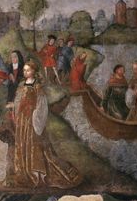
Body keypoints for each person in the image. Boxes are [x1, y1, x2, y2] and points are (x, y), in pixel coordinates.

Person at [9, 61, 82, 189]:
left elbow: (41, 105)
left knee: (35, 146)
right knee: (23, 144)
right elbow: (18, 101)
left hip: (32, 119)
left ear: (34, 72)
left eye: (28, 70)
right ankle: (25, 173)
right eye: (24, 70)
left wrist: (35, 118)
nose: (25, 72)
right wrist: (14, 109)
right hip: (22, 119)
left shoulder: (38, 87)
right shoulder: (21, 85)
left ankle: (37, 174)